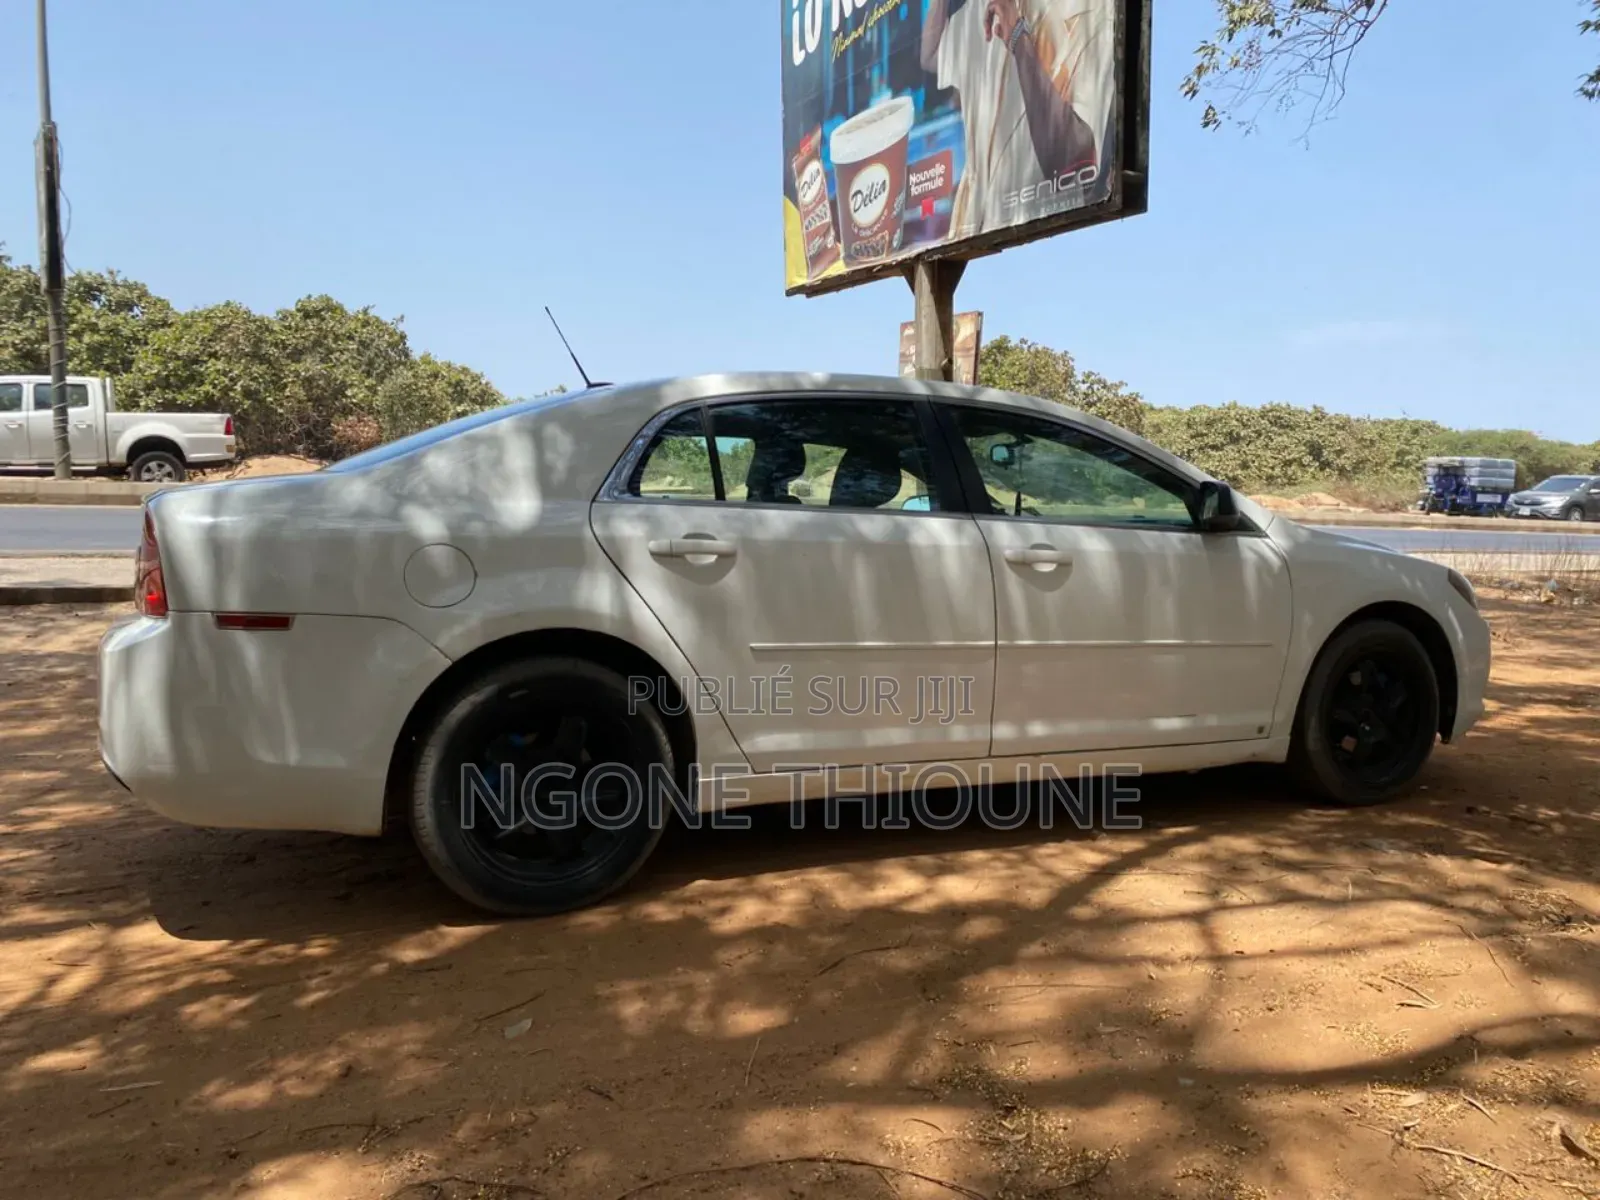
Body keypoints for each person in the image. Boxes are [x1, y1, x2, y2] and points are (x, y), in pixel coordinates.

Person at [921, 0, 1114, 237]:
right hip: (970, 231)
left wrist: (1017, 39)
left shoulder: (1096, 13)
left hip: (1049, 240)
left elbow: (1077, 162)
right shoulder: (981, 9)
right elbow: (931, 56)